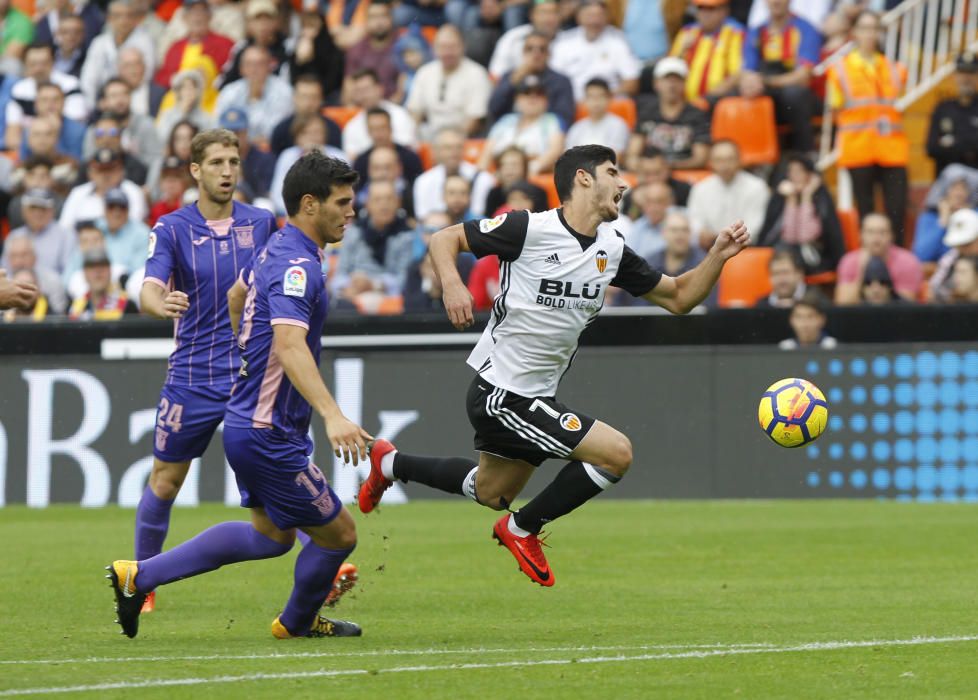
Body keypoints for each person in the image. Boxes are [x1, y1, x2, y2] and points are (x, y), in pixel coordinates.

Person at [356, 144, 750, 587]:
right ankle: (522, 528)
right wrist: (453, 284)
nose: (623, 183)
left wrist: (717, 255)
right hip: (502, 394)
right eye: (613, 172)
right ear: (583, 178)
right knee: (615, 454)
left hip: (533, 395)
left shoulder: (612, 250)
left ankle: (390, 463)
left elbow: (678, 297)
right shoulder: (527, 228)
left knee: (491, 492)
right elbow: (444, 238)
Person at [108, 151, 367, 640]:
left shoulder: (276, 248)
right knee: (340, 535)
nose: (351, 211)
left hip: (250, 420)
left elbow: (236, 296)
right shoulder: (296, 264)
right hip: (268, 431)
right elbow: (290, 344)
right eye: (342, 202)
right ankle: (297, 622)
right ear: (310, 204)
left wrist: (245, 349)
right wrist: (333, 416)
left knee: (271, 538)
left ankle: (138, 575)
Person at [129, 128, 277, 614]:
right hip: (192, 375)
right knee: (166, 481)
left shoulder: (262, 222)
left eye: (233, 161)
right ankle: (141, 580)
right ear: (195, 170)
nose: (228, 171)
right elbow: (148, 288)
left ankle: (328, 562)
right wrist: (160, 303)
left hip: (250, 377)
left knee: (282, 477)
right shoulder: (171, 228)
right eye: (216, 162)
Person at [826, 10, 908, 245]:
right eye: (865, 28)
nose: (870, 34)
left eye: (875, 28)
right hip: (858, 149)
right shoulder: (839, 70)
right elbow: (835, 110)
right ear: (855, 33)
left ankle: (896, 261)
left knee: (897, 211)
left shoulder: (895, 68)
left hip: (892, 149)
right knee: (865, 210)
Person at [739, 0, 821, 152]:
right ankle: (747, 152)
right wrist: (751, 83)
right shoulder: (757, 31)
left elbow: (803, 76)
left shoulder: (805, 29)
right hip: (766, 88)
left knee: (794, 95)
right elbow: (747, 69)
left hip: (798, 95)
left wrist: (767, 81)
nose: (776, 2)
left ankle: (804, 153)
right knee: (736, 95)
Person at [757, 153, 845, 274]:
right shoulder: (781, 197)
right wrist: (791, 201)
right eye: (791, 171)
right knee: (784, 252)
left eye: (799, 171)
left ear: (810, 175)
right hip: (785, 252)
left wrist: (806, 198)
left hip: (814, 255)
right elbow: (789, 237)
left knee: (791, 258)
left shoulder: (820, 198)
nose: (794, 176)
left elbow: (805, 237)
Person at [406, 24, 492, 141]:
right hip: (430, 134)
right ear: (434, 49)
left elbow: (476, 118)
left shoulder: (477, 74)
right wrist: (412, 136)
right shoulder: (425, 72)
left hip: (463, 137)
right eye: (442, 47)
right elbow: (414, 111)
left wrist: (451, 141)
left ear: (463, 47)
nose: (447, 52)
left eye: (452, 47)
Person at [627, 58, 710, 172]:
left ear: (684, 83)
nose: (672, 85)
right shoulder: (646, 112)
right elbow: (632, 154)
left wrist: (666, 166)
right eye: (667, 80)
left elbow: (700, 158)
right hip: (650, 173)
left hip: (682, 175)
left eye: (677, 80)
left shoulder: (697, 114)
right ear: (656, 83)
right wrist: (645, 167)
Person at [550, 0, 640, 101]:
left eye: (599, 15)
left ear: (607, 18)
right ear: (578, 17)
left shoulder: (618, 41)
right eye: (590, 15)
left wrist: (599, 98)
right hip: (571, 102)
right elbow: (553, 79)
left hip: (607, 103)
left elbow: (631, 82)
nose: (595, 21)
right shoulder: (564, 41)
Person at [486, 29, 575, 131]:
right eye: (530, 49)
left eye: (542, 49)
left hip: (546, 133)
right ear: (523, 52)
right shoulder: (510, 76)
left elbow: (564, 118)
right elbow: (494, 110)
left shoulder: (561, 81)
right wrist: (513, 81)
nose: (536, 54)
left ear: (549, 54)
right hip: (511, 131)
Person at [687, 140, 769, 248]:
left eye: (730, 159)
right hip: (708, 247)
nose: (725, 165)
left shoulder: (757, 187)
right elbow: (694, 222)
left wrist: (727, 238)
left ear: (740, 160)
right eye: (719, 160)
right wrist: (702, 233)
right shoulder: (700, 188)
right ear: (711, 162)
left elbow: (754, 227)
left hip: (744, 248)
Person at [478, 75, 564, 176]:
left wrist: (530, 169)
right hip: (498, 174)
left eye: (539, 93)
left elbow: (555, 150)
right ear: (517, 99)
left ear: (546, 100)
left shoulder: (551, 121)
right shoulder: (505, 120)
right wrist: (480, 175)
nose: (533, 97)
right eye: (526, 93)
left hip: (532, 176)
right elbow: (487, 151)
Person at [835, 213, 922, 305]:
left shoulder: (907, 261)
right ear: (860, 235)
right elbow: (842, 304)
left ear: (892, 236)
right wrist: (863, 270)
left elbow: (907, 305)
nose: (876, 238)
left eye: (882, 232)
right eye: (870, 232)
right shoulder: (849, 261)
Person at [670, 0, 745, 104]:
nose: (705, 14)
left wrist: (706, 100)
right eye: (701, 8)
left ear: (725, 10)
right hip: (684, 106)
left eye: (711, 9)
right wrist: (682, 51)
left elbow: (737, 74)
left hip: (717, 103)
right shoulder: (687, 31)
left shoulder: (735, 33)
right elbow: (669, 70)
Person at [927, 53, 978, 176]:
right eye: (962, 72)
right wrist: (969, 148)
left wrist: (953, 143)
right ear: (954, 76)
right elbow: (931, 148)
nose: (966, 78)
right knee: (952, 174)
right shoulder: (943, 108)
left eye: (971, 73)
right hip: (947, 183)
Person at [68, 247, 140, 319]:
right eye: (92, 267)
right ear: (84, 273)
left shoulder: (127, 305)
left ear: (110, 271)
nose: (98, 271)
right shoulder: (74, 306)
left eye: (103, 266)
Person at [565, 78, 630, 157]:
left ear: (609, 99)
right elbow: (568, 156)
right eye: (591, 96)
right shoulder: (577, 127)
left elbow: (616, 156)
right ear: (584, 100)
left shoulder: (618, 125)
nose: (596, 101)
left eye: (600, 96)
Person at [928, 208, 978, 303]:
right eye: (958, 244)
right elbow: (933, 289)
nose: (962, 249)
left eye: (967, 243)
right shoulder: (950, 258)